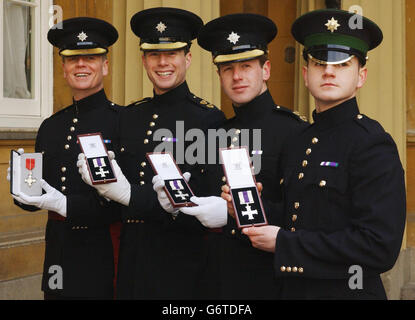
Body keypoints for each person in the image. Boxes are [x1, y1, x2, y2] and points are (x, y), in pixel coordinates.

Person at [235, 9, 406, 299]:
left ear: (361, 76)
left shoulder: (373, 144)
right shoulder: (299, 140)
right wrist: (255, 205)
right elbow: (301, 216)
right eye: (319, 63)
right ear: (305, 74)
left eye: (341, 65)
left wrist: (285, 243)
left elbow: (379, 247)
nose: (328, 71)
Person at [77, 7, 225, 299]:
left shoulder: (208, 119)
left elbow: (204, 198)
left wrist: (128, 194)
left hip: (182, 265)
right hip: (132, 261)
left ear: (188, 58)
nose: (162, 63)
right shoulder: (130, 116)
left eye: (171, 54)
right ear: (144, 60)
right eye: (154, 54)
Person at [176, 13, 306, 299]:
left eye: (246, 66)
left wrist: (250, 210)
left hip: (268, 279)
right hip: (216, 278)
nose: (237, 77)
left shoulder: (294, 132)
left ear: (266, 69)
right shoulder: (214, 132)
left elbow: (303, 215)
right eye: (227, 68)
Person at [8, 18, 121, 299]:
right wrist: (22, 190)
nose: (81, 64)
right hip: (58, 252)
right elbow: (38, 197)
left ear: (105, 66)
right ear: (63, 69)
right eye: (73, 59)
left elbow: (125, 204)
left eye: (90, 58)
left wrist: (66, 204)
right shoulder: (51, 126)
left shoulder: (123, 122)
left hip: (103, 253)